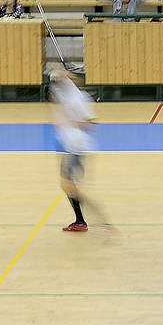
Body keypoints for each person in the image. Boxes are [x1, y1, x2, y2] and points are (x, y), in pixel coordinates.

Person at [50, 69, 106, 232]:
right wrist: (59, 75)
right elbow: (53, 87)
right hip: (70, 147)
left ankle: (84, 219)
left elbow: (90, 124)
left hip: (78, 147)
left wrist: (71, 122)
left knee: (68, 184)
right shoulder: (64, 94)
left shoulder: (78, 98)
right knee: (67, 184)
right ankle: (80, 220)